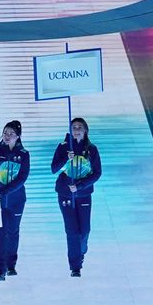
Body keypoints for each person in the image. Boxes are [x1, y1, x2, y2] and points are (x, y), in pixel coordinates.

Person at [50, 118, 102, 277]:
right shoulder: (63, 147)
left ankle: (81, 249)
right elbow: (54, 168)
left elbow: (97, 173)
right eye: (74, 127)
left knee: (84, 230)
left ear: (85, 130)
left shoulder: (91, 150)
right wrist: (66, 158)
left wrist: (80, 185)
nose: (76, 129)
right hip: (65, 194)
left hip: (83, 194)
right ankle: (75, 266)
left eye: (80, 127)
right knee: (72, 231)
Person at [0, 120, 29, 281]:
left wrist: (4, 191)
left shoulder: (23, 154)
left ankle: (11, 265)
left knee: (13, 231)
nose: (7, 136)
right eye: (5, 133)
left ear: (18, 136)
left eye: (11, 133)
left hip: (16, 200)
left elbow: (22, 178)